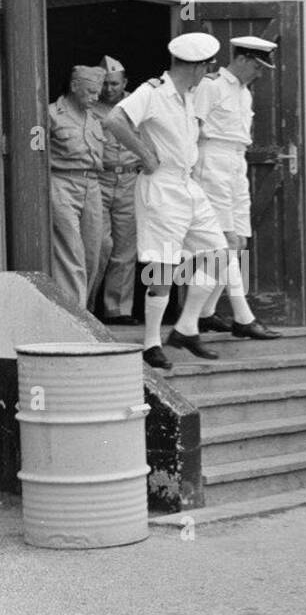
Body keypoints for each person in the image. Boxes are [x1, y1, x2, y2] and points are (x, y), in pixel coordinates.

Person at [102, 32, 231, 371]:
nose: (208, 73)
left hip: (187, 185)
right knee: (163, 268)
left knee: (220, 255)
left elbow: (218, 87)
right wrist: (144, 153)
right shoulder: (152, 92)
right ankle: (151, 343)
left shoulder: (187, 94)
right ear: (197, 66)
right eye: (207, 66)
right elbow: (114, 119)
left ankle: (186, 328)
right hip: (161, 187)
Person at [190, 36, 281, 339]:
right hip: (212, 160)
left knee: (238, 240)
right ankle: (244, 317)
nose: (259, 73)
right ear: (241, 60)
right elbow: (191, 128)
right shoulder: (211, 85)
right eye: (256, 66)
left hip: (236, 161)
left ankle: (205, 313)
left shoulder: (244, 94)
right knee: (224, 241)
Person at [48, 65, 106, 308]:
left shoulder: (95, 118)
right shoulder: (50, 114)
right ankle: (75, 315)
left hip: (92, 185)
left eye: (97, 92)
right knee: (71, 252)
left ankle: (84, 309)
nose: (95, 97)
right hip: (62, 182)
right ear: (74, 87)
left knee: (95, 252)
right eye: (90, 92)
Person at [91, 55, 141, 324]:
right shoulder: (88, 106)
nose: (109, 89)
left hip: (131, 180)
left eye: (115, 84)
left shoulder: (139, 103)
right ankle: (86, 306)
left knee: (125, 249)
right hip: (99, 179)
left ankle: (117, 310)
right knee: (99, 245)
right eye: (105, 84)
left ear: (125, 82)